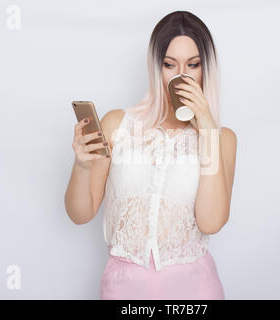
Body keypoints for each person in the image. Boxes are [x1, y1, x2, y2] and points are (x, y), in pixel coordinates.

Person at [64, 10, 237, 300]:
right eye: (170, 64)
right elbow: (79, 214)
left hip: (194, 289)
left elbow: (211, 222)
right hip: (123, 289)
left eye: (193, 65)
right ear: (156, 67)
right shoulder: (117, 124)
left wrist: (206, 128)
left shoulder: (222, 139)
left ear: (206, 69)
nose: (181, 75)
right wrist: (81, 167)